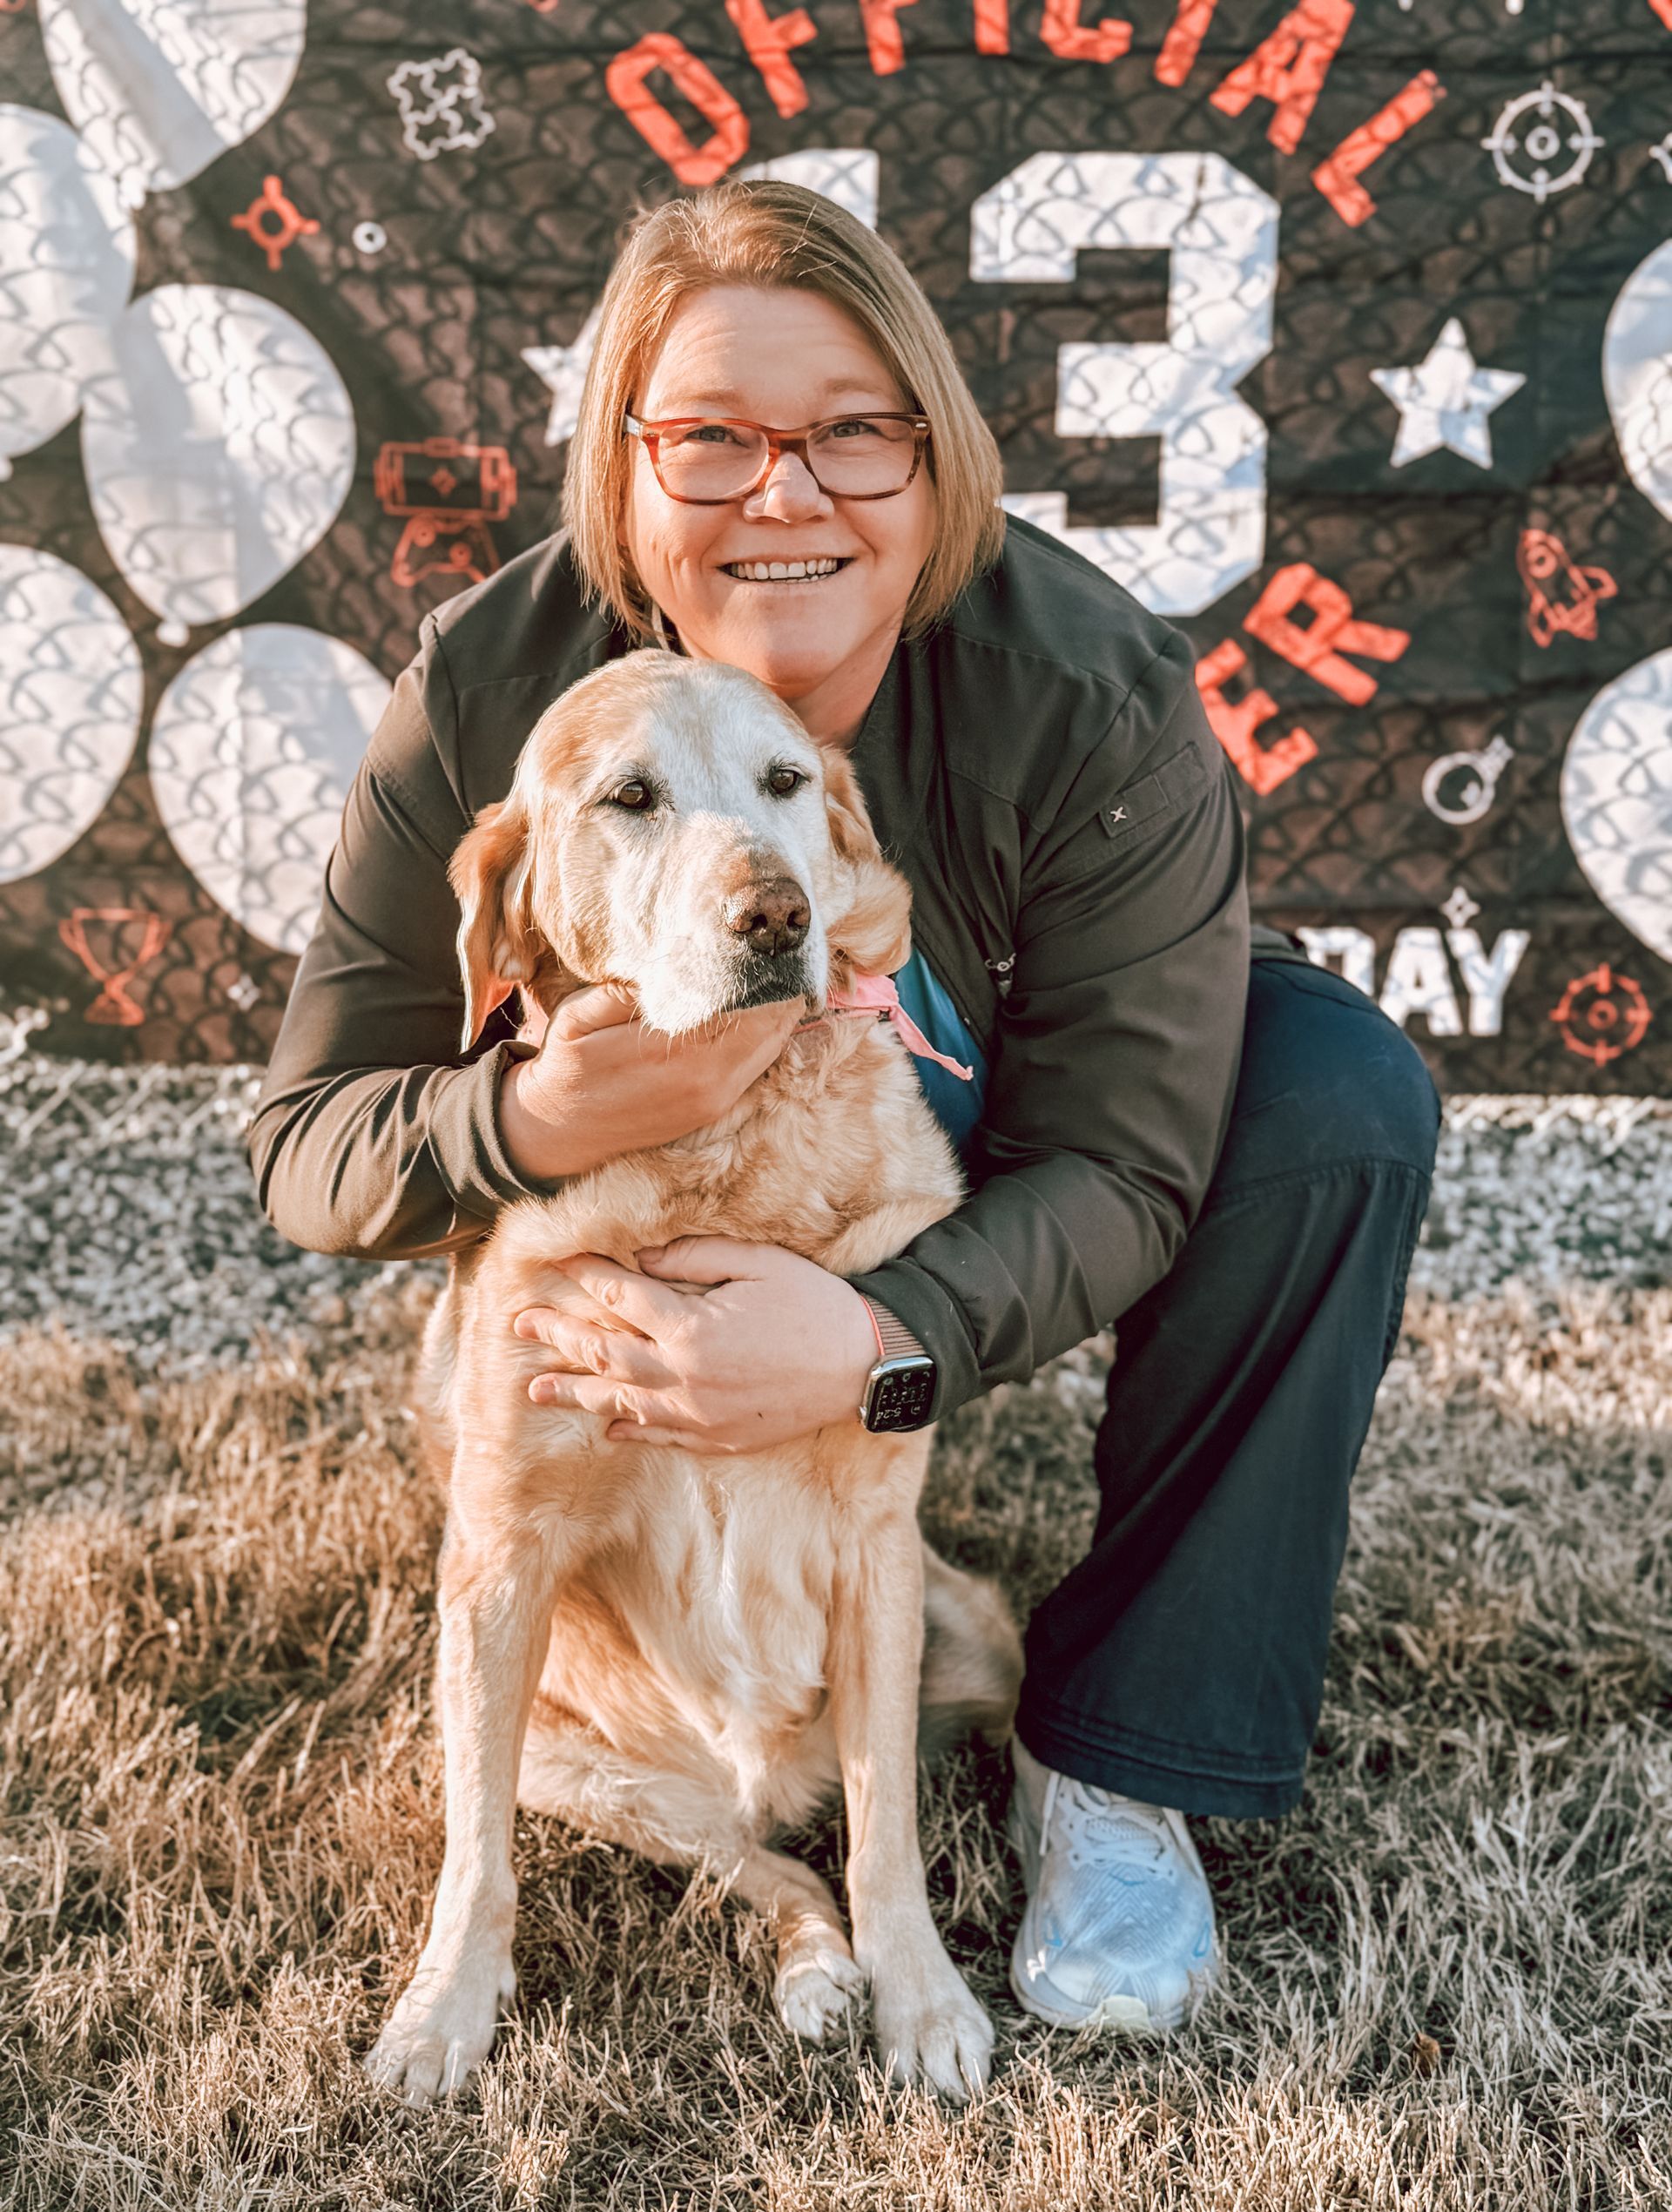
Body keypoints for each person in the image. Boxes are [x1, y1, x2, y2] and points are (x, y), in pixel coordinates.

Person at [250, 179, 1440, 2038]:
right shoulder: (492, 691)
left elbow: (1128, 1158)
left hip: (1013, 1071)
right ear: (625, 471)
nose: (784, 493)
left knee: (1337, 1099)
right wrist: (539, 1118)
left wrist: (888, 1344)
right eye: (711, 436)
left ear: (932, 459)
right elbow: (313, 1136)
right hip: (644, 1143)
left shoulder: (1088, 685)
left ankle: (1121, 1756)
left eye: (851, 434)